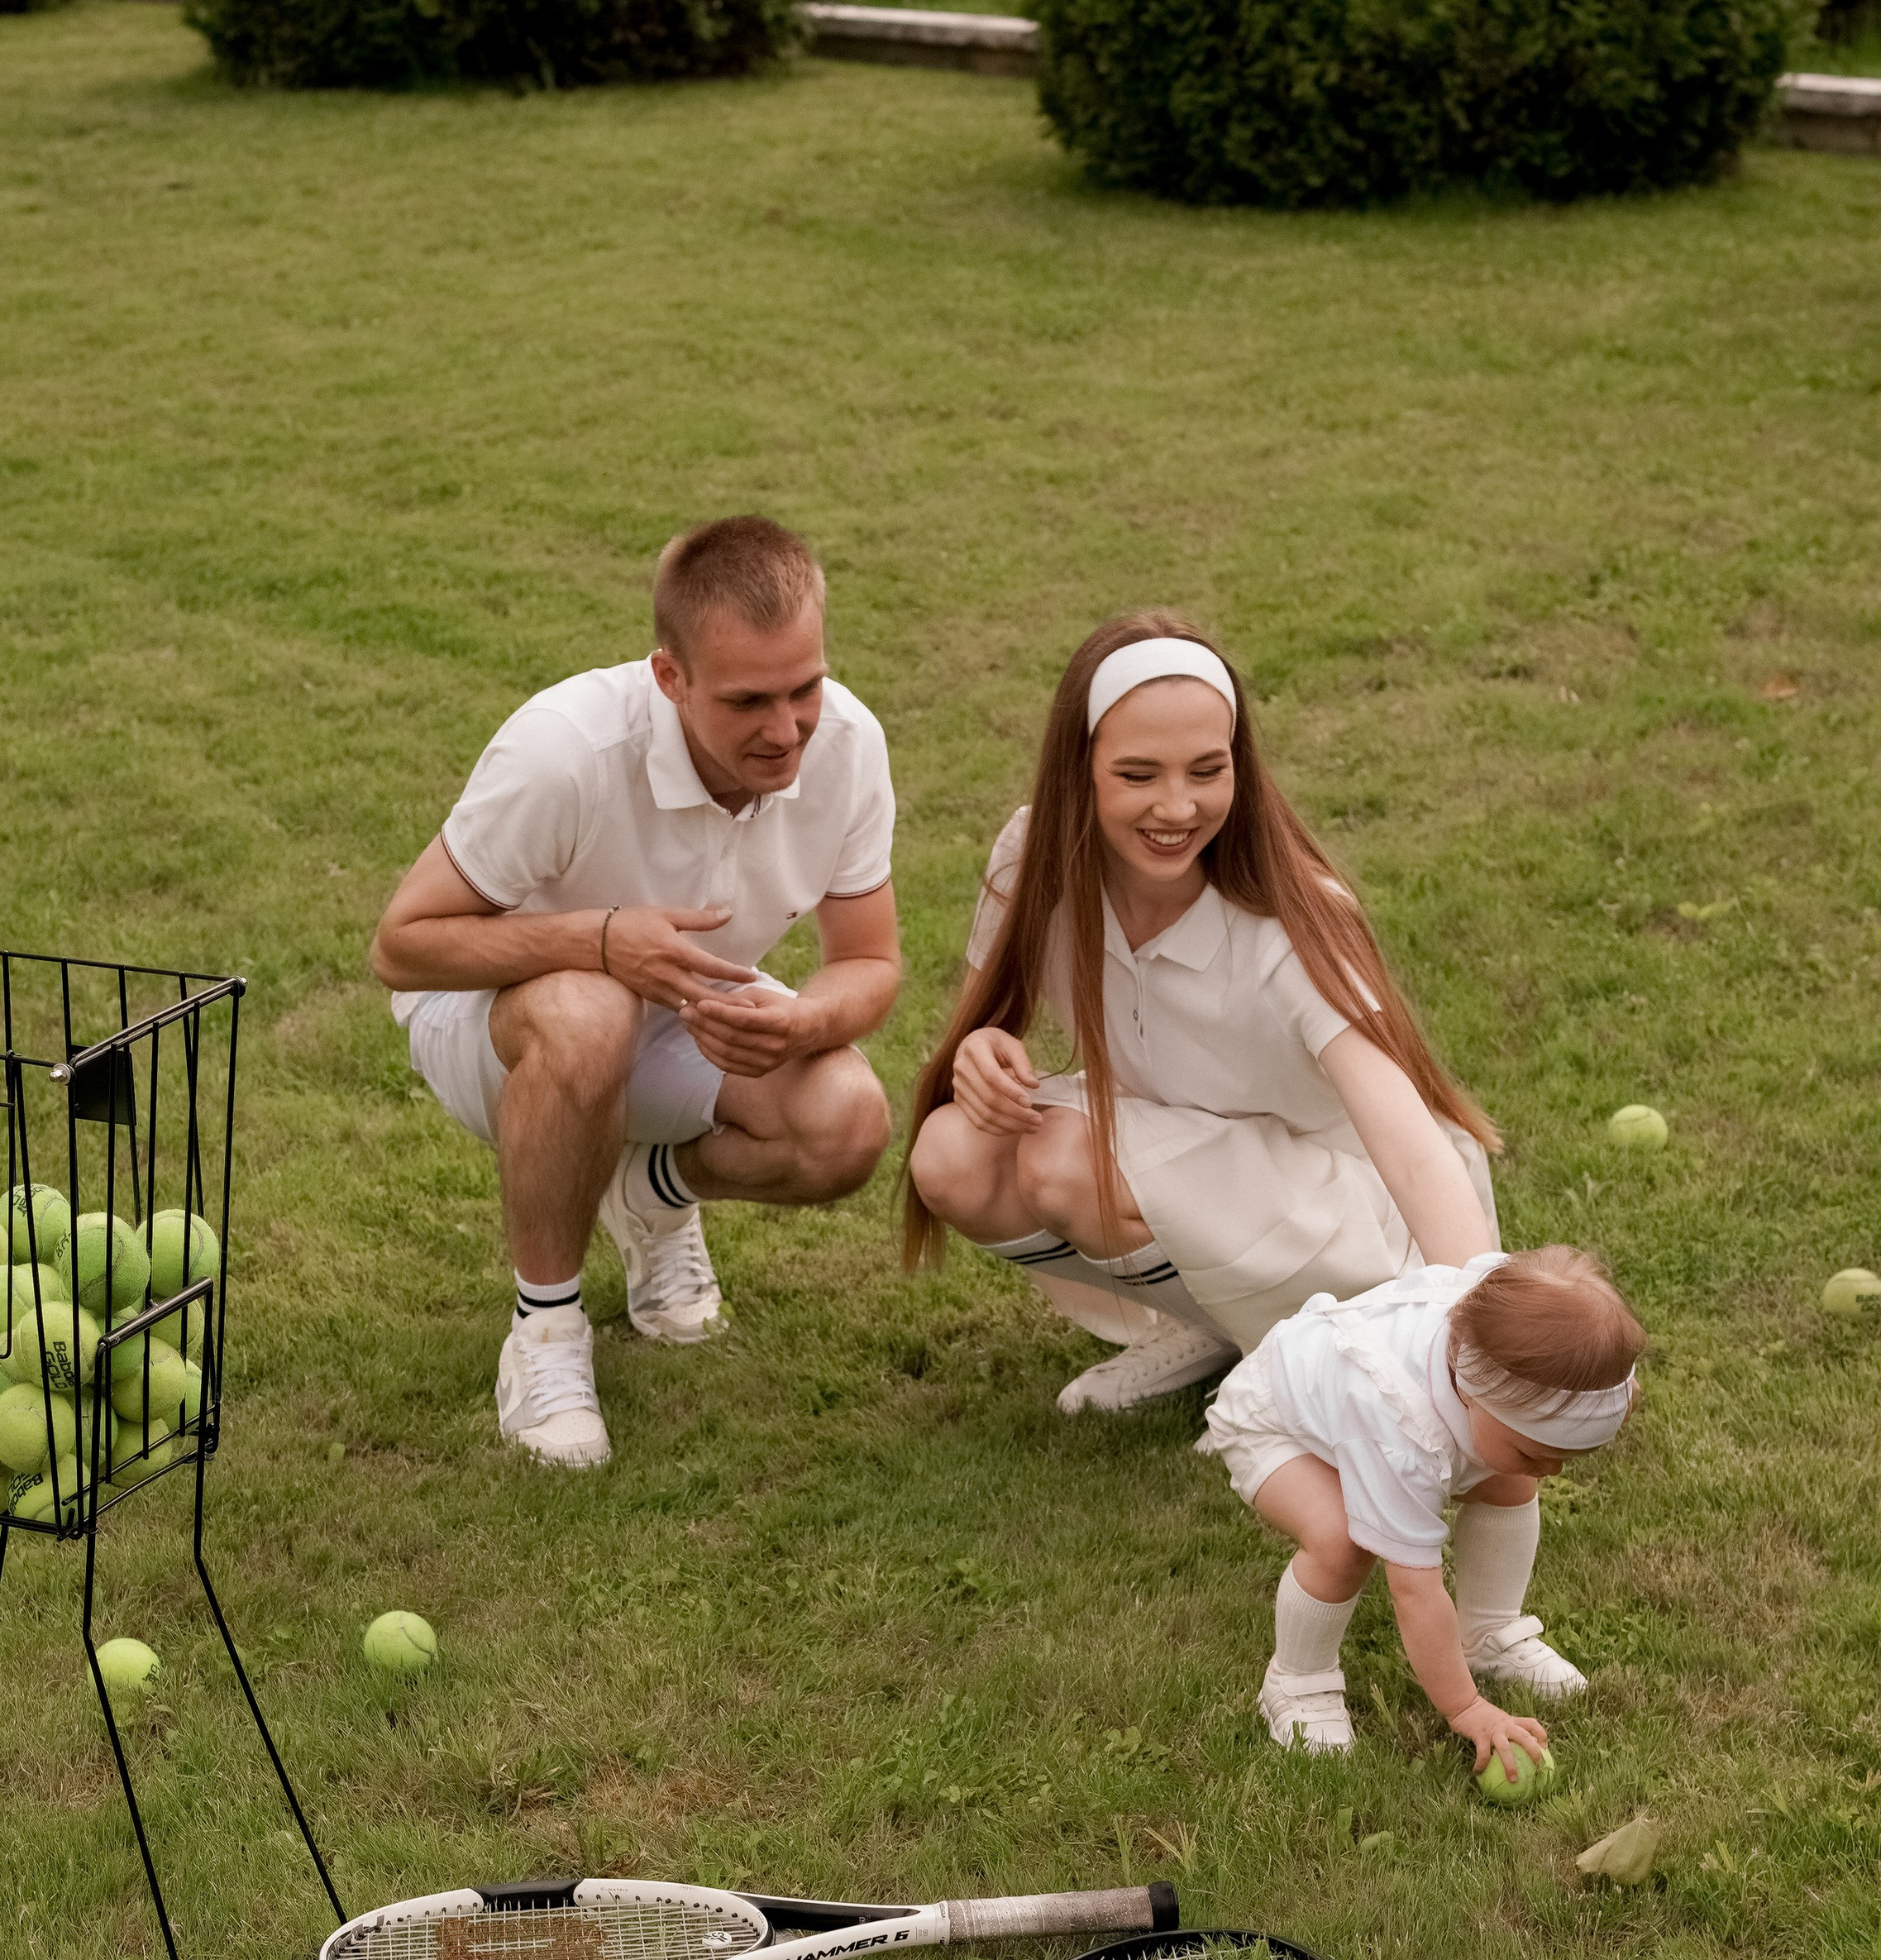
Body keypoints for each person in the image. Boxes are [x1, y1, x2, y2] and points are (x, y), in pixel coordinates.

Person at [371, 519, 900, 1468]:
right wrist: (601, 940)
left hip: (683, 1008)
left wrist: (801, 1021)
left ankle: (648, 1196)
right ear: (670, 677)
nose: (786, 731)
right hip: (489, 1022)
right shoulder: (565, 749)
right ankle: (545, 1334)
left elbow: (870, 959)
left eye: (803, 688)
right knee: (590, 1010)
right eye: (748, 701)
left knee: (847, 1123)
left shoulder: (848, 743)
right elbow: (401, 948)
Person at [904, 612, 1502, 1416]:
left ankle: (1310, 1350)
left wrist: (1488, 1340)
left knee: (1065, 1162)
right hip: (1191, 1156)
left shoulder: (1292, 918)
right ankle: (1218, 1328)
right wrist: (981, 1048)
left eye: (1206, 770)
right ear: (1079, 769)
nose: (1177, 808)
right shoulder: (1031, 857)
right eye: (1137, 775)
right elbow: (985, 1019)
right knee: (951, 1150)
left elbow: (1411, 1149)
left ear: (1239, 767)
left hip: (1351, 1211)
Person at [1198, 1243, 1643, 1757]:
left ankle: (1490, 1633)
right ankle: (1297, 1682)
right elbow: (1415, 1590)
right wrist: (1466, 1708)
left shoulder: (1496, 1343)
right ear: (1473, 1397)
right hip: (1274, 1423)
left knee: (1509, 1479)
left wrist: (1522, 1455)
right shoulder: (1401, 1435)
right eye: (1535, 1450)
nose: (1554, 1469)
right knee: (1341, 1540)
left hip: (1354, 1415)